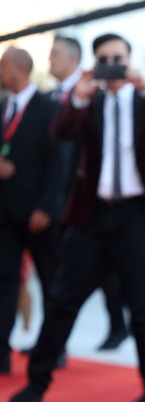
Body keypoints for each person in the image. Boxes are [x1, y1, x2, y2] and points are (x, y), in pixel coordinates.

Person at [8, 33, 145, 402]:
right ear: (94, 63)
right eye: (104, 58)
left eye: (118, 57)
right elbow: (59, 132)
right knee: (61, 301)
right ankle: (36, 384)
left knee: (144, 307)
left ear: (129, 59)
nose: (112, 64)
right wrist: (79, 95)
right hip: (92, 215)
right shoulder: (87, 101)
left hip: (140, 214)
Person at [48, 34, 128, 352]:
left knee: (95, 270)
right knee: (67, 277)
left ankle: (118, 325)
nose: (49, 60)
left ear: (73, 59)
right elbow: (57, 138)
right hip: (66, 198)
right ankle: (55, 346)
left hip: (88, 200)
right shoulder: (65, 96)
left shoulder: (97, 96)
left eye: (54, 54)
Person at [0, 47, 61, 375]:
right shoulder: (1, 108)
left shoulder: (49, 108)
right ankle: (1, 352)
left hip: (39, 214)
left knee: (52, 283)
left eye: (2, 66)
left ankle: (53, 348)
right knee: (4, 280)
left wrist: (46, 208)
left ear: (18, 68)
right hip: (6, 214)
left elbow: (58, 164)